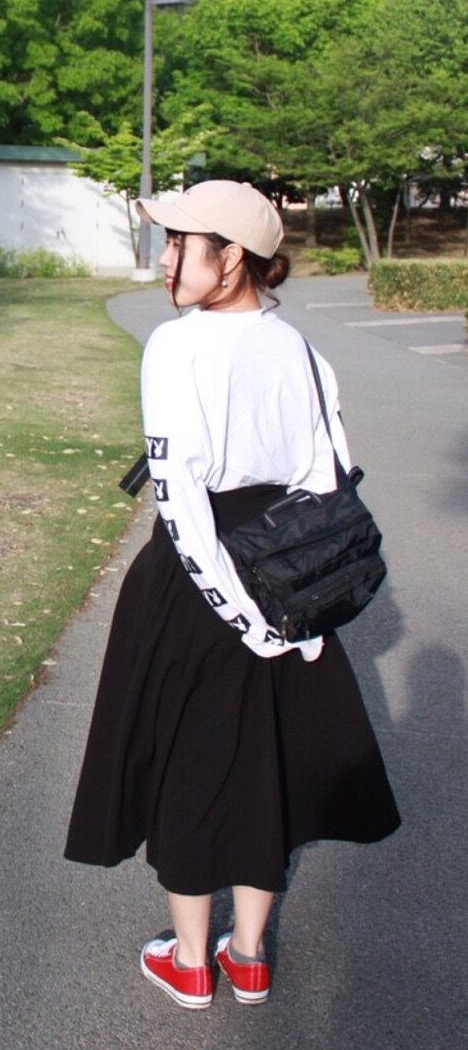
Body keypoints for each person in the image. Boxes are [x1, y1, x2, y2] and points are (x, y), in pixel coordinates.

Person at [64, 180, 400, 1009]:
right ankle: (247, 955)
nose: (167, 260)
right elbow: (325, 477)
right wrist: (300, 614)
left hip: (200, 581)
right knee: (263, 764)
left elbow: (180, 500)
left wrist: (243, 618)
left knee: (191, 764)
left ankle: (190, 962)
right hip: (287, 569)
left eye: (182, 244)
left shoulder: (177, 347)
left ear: (234, 257)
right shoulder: (298, 348)